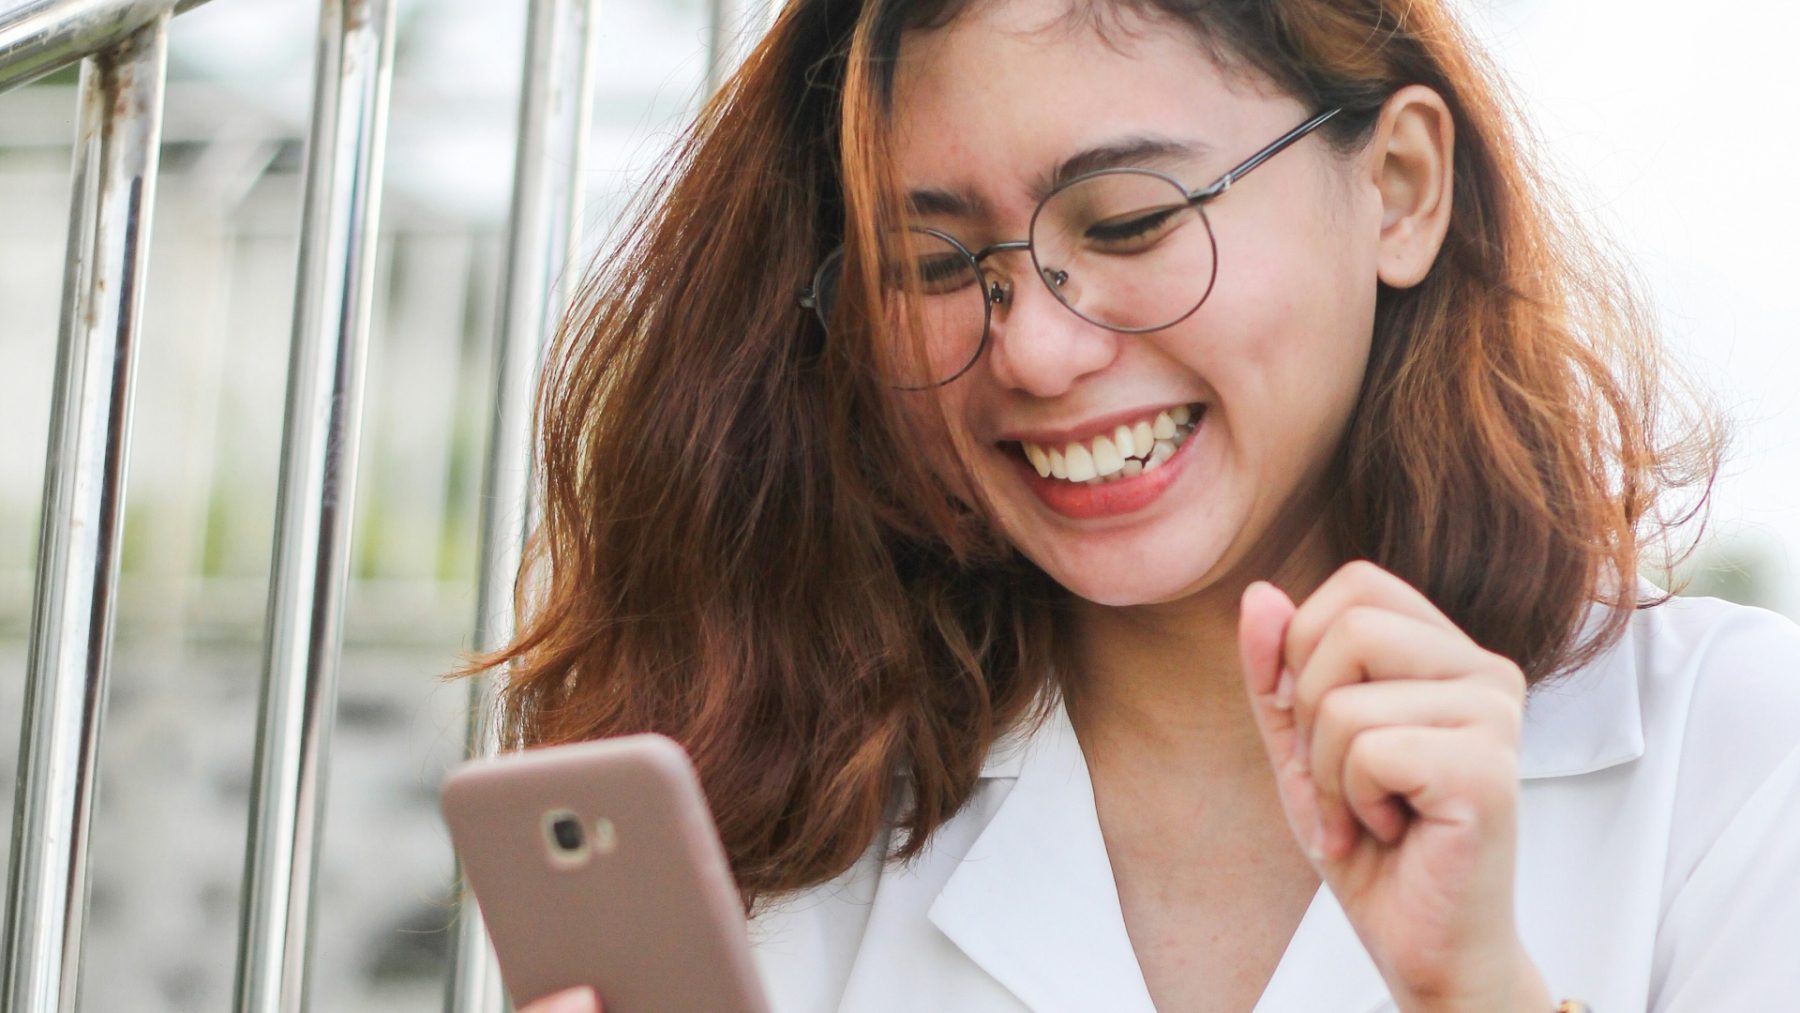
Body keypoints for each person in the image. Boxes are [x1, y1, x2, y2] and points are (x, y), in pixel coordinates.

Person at [485, 0, 1800, 1009]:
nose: (1035, 354)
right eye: (938, 264)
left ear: (1398, 186)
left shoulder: (1736, 753)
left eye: (1126, 223)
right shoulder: (775, 805)